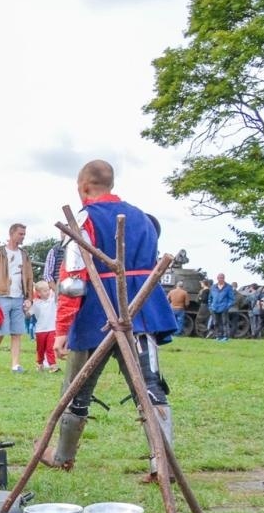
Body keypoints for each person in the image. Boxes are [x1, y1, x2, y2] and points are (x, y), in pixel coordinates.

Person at [49, 159, 177, 481]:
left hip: (98, 309)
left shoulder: (86, 217)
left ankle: (63, 456)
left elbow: (73, 280)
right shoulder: (143, 218)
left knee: (76, 387)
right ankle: (162, 465)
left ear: (84, 187)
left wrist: (63, 328)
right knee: (150, 386)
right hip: (141, 310)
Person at [0, 223, 31, 372]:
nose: (23, 236)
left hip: (19, 297)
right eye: (20, 234)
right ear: (12, 234)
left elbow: (29, 277)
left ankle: (15, 365)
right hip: (1, 296)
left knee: (17, 333)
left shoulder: (24, 255)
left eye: (24, 234)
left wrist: (29, 297)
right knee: (0, 332)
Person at [29, 279, 58, 371]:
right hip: (40, 330)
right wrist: (26, 308)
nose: (48, 292)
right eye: (45, 291)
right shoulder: (35, 303)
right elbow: (28, 314)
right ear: (38, 293)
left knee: (50, 348)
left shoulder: (53, 301)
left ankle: (52, 365)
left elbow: (58, 294)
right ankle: (39, 363)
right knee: (40, 349)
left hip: (52, 329)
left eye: (48, 290)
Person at [206, 273, 236, 342]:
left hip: (223, 307)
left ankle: (225, 336)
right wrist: (210, 306)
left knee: (224, 322)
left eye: (222, 278)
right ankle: (218, 336)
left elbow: (231, 299)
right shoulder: (213, 287)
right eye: (219, 278)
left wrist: (227, 306)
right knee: (215, 323)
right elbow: (210, 298)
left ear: (224, 278)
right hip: (214, 308)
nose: (220, 279)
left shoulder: (228, 287)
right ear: (217, 278)